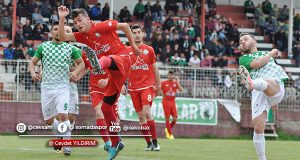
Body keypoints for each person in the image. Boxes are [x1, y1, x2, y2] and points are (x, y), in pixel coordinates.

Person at [57, 6, 140, 160]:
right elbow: (62, 37)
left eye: (80, 20)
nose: (77, 24)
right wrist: (62, 17)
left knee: (104, 60)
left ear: (88, 19)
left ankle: (98, 64)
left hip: (122, 59)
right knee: (105, 109)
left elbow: (125, 26)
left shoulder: (101, 26)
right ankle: (115, 143)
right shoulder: (82, 37)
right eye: (75, 22)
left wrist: (133, 45)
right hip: (113, 75)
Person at [28, 21, 84, 156]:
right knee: (48, 120)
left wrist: (75, 73)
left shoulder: (71, 49)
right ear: (51, 33)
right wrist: (33, 73)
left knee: (64, 115)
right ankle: (60, 134)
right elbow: (32, 62)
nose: (58, 31)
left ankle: (67, 145)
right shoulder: (44, 47)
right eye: (55, 29)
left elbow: (82, 64)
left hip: (63, 87)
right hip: (47, 88)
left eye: (60, 29)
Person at [238, 33, 288, 160]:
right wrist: (271, 53)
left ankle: (252, 83)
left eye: (245, 39)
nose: (242, 42)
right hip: (259, 92)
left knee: (265, 80)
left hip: (274, 85)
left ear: (254, 42)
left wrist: (274, 103)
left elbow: (273, 69)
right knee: (258, 128)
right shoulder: (244, 59)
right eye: (240, 41)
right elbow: (258, 64)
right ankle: (262, 159)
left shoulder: (266, 55)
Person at [127, 25, 161, 151]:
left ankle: (156, 142)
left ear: (142, 34)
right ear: (130, 34)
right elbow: (123, 70)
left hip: (147, 86)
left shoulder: (149, 50)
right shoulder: (127, 51)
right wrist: (121, 85)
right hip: (133, 88)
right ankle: (149, 143)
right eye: (134, 32)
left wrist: (158, 85)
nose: (136, 35)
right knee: (141, 116)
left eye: (138, 32)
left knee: (147, 111)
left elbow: (155, 68)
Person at [161, 71, 183, 139]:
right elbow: (159, 89)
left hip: (172, 101)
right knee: (167, 118)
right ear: (167, 76)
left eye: (172, 75)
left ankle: (168, 129)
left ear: (173, 76)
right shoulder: (164, 83)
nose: (170, 76)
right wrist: (163, 95)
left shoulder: (175, 83)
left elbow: (181, 90)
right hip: (166, 101)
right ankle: (169, 134)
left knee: (175, 118)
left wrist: (178, 82)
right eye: (169, 75)